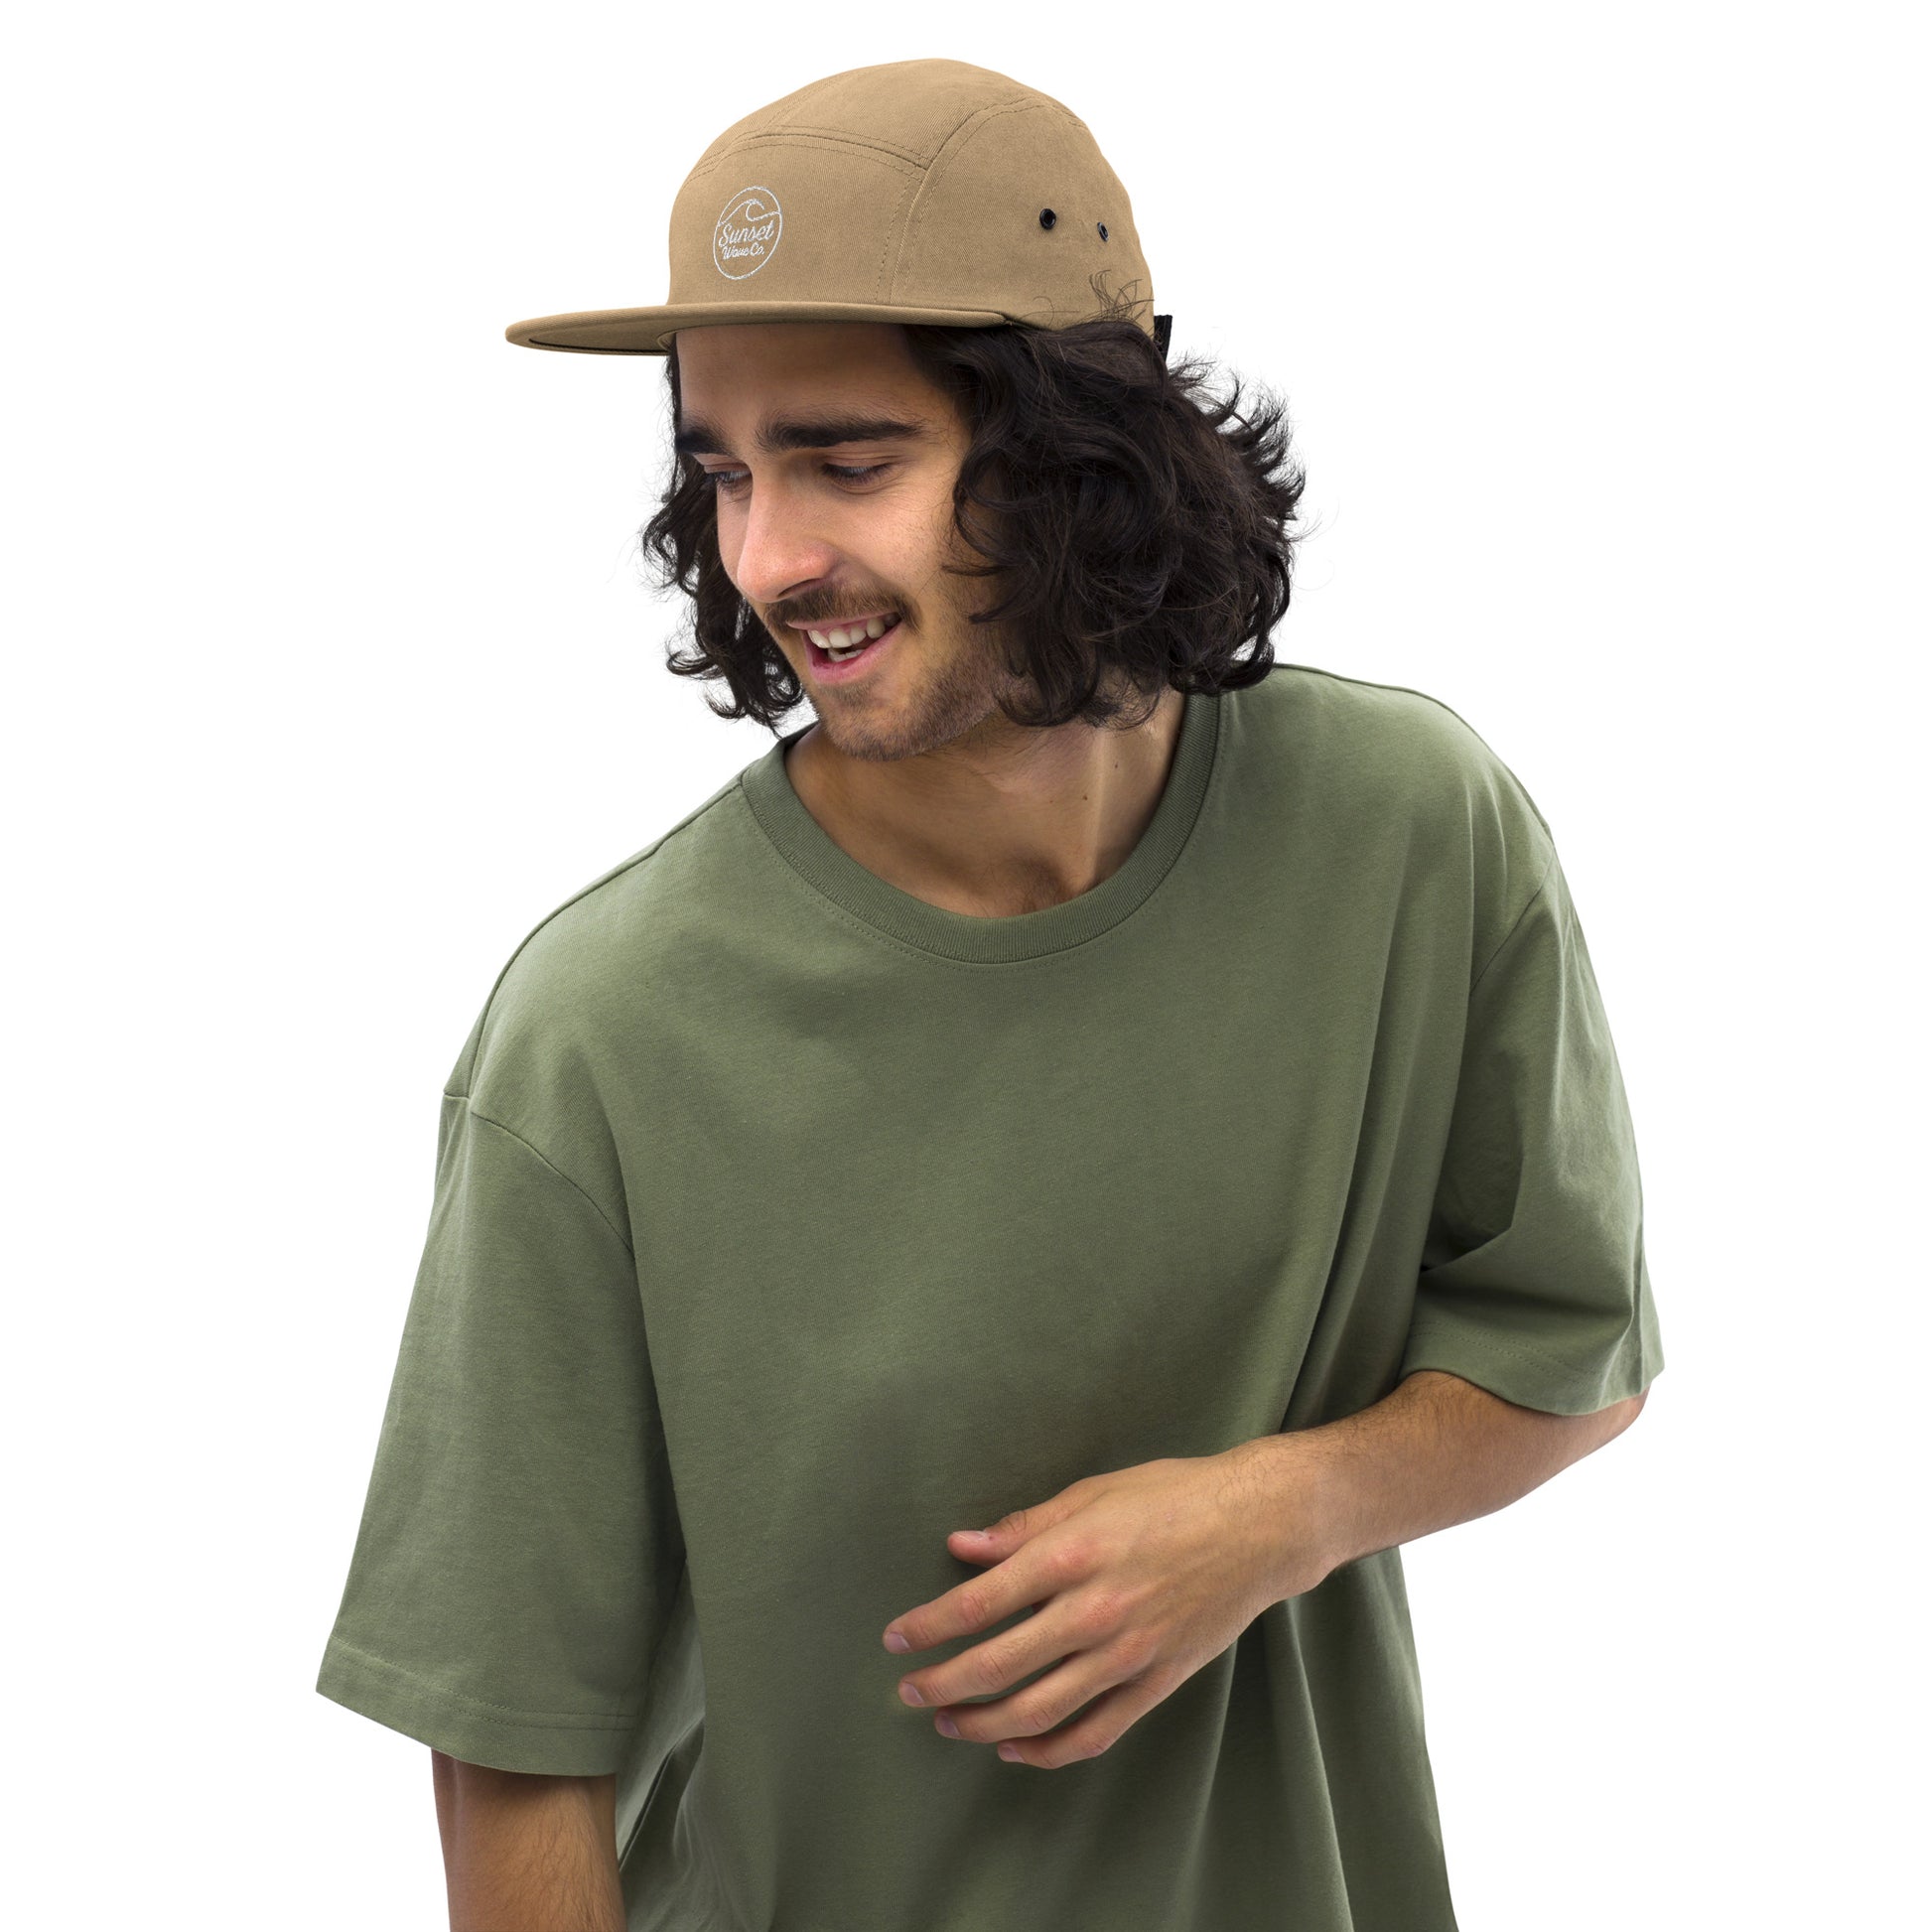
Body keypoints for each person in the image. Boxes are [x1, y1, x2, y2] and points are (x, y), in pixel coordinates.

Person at [316, 56, 1664, 1932]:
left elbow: (1570, 1349)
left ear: (1070, 452)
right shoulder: (601, 1033)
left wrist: (1269, 1517)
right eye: (723, 470)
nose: (769, 556)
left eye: (847, 460)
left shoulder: (1408, 838)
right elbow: (512, 1737)